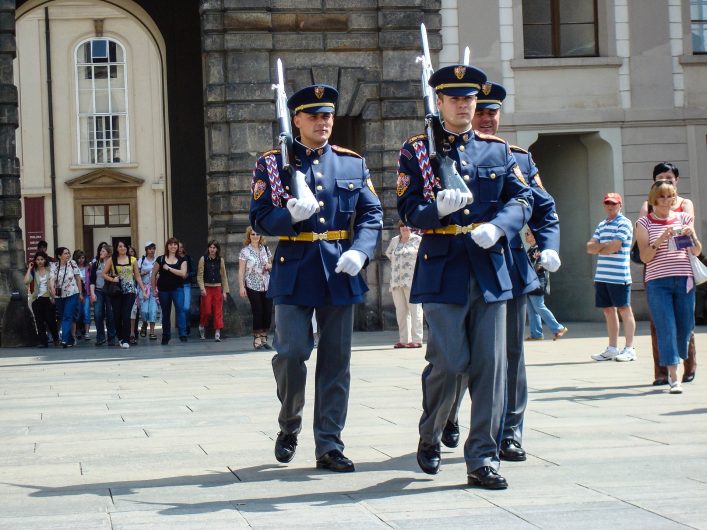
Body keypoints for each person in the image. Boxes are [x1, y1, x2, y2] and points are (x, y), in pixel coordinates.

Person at [397, 66, 533, 489]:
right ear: (439, 102)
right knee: (450, 362)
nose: (462, 105)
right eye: (454, 99)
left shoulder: (496, 151)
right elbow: (406, 207)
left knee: (491, 368)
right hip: (443, 268)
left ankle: (482, 458)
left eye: (468, 99)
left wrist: (502, 225)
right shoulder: (417, 150)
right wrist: (434, 210)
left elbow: (525, 197)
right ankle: (431, 432)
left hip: (490, 269)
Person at [250, 83, 383, 473]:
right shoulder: (273, 163)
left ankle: (329, 444)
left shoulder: (351, 163)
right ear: (296, 120)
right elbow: (259, 218)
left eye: (327, 116)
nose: (323, 122)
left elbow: (371, 214)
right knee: (291, 353)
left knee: (336, 362)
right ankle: (289, 422)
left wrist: (361, 250)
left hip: (340, 269)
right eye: (314, 116)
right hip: (295, 267)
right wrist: (287, 215)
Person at [440, 82, 562, 464]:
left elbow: (545, 209)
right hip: (466, 264)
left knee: (509, 356)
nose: (487, 118)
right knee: (459, 354)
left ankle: (509, 431)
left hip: (509, 265)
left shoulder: (518, 158)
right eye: (481, 112)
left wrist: (550, 245)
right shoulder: (445, 153)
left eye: (492, 112)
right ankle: (449, 414)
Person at [635, 180, 702, 394]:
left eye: (670, 196)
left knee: (685, 329)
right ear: (654, 199)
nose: (666, 201)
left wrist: (691, 236)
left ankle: (678, 356)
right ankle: (673, 376)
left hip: (684, 280)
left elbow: (697, 251)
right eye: (662, 197)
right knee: (666, 328)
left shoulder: (684, 218)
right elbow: (645, 257)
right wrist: (661, 238)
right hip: (658, 282)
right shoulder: (644, 223)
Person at [586, 193, 637, 362]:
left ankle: (630, 348)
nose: (610, 206)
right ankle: (612, 348)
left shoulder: (624, 223)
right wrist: (604, 246)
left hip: (619, 275)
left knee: (624, 309)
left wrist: (601, 246)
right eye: (607, 203)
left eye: (613, 203)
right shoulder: (602, 224)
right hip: (602, 275)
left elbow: (614, 247)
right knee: (608, 311)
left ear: (620, 205)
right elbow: (589, 247)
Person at [385, 221, 423, 348]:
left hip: (412, 279)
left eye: (407, 226)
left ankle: (417, 339)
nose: (404, 228)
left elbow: (424, 256)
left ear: (411, 228)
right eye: (402, 226)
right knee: (401, 311)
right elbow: (388, 253)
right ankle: (404, 339)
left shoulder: (418, 240)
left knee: (415, 310)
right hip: (396, 280)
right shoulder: (395, 240)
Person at [102, 240, 146, 349]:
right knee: (117, 315)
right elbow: (103, 274)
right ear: (116, 248)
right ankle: (120, 337)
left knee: (126, 315)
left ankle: (126, 339)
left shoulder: (133, 260)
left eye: (124, 246)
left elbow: (137, 276)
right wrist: (112, 279)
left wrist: (143, 289)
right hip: (116, 291)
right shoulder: (111, 260)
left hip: (130, 290)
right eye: (120, 246)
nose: (123, 248)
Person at [525, 230, 567, 340]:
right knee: (532, 309)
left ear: (535, 236)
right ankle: (536, 334)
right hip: (530, 282)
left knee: (539, 306)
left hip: (537, 282)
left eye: (528, 233)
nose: (526, 235)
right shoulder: (531, 249)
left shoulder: (540, 249)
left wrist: (528, 271)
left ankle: (558, 328)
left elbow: (540, 265)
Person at [238, 227, 273, 349]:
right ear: (249, 236)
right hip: (252, 284)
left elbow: (271, 265)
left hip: (267, 283)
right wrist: (241, 286)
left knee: (268, 311)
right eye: (253, 234)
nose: (255, 236)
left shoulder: (266, 249)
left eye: (257, 234)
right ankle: (257, 337)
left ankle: (264, 336)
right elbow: (241, 271)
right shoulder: (245, 251)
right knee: (258, 310)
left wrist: (269, 265)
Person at [151, 237, 188, 345]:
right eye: (171, 244)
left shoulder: (182, 260)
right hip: (163, 290)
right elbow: (153, 274)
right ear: (167, 246)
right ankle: (166, 336)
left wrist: (169, 268)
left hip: (178, 289)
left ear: (177, 247)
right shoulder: (160, 259)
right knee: (166, 313)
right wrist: (154, 289)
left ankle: (183, 335)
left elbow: (183, 273)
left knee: (180, 310)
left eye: (175, 244)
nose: (173, 246)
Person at [24, 251, 58, 348]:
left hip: (48, 298)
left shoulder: (50, 270)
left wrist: (54, 297)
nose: (40, 261)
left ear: (45, 260)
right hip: (37, 299)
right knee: (39, 321)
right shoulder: (34, 271)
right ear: (35, 261)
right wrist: (29, 269)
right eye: (38, 260)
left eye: (42, 259)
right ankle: (43, 341)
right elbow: (26, 281)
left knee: (50, 320)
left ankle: (55, 338)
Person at [197, 239, 230, 342]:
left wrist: (225, 291)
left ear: (217, 249)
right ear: (208, 248)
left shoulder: (220, 260)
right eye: (210, 247)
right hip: (207, 288)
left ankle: (217, 332)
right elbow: (200, 275)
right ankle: (202, 325)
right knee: (206, 310)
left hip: (217, 288)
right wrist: (202, 288)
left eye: (214, 248)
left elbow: (224, 276)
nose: (212, 249)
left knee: (217, 311)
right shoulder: (203, 259)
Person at [52, 247, 84, 348]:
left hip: (72, 293)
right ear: (59, 256)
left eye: (68, 253)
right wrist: (52, 290)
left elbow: (78, 279)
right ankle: (70, 339)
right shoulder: (54, 265)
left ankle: (64, 339)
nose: (68, 255)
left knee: (67, 316)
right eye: (65, 253)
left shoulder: (72, 263)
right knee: (63, 316)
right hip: (59, 295)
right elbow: (51, 279)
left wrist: (80, 293)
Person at [90, 243, 117, 346]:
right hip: (98, 291)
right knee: (97, 314)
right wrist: (92, 293)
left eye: (103, 251)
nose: (100, 253)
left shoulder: (113, 264)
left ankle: (111, 338)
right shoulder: (95, 264)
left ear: (108, 253)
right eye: (100, 251)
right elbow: (92, 280)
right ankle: (100, 337)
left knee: (110, 315)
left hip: (110, 292)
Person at [137, 241, 159, 340]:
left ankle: (152, 332)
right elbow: (135, 275)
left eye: (153, 248)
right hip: (144, 288)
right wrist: (142, 273)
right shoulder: (141, 260)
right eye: (150, 249)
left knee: (153, 310)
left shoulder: (158, 260)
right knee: (144, 310)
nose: (151, 251)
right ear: (146, 250)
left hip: (154, 288)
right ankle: (145, 323)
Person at [72, 249, 91, 341]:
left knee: (86, 312)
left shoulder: (88, 268)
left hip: (86, 292)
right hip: (76, 292)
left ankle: (87, 332)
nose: (81, 260)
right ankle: (78, 330)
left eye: (83, 258)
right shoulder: (73, 268)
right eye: (79, 258)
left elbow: (91, 280)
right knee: (78, 312)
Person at [179, 242, 196, 336]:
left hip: (186, 284)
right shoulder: (173, 259)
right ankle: (183, 328)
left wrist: (187, 275)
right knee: (179, 308)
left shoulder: (188, 258)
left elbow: (194, 271)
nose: (180, 249)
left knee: (186, 307)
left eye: (181, 247)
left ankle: (187, 323)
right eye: (179, 247)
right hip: (177, 285)